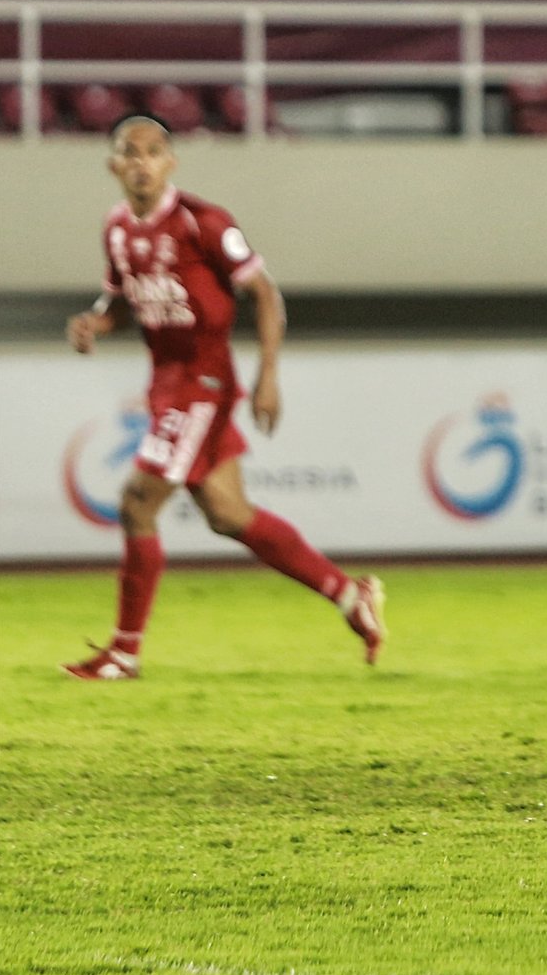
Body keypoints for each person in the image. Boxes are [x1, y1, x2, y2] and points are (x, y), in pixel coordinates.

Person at [61, 115, 385, 679]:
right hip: (167, 386)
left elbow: (264, 293)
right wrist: (95, 322)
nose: (142, 163)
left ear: (171, 162)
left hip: (203, 384)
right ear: (114, 165)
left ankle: (124, 653)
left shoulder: (202, 222)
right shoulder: (116, 229)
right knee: (229, 515)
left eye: (153, 152)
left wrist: (268, 375)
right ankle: (349, 595)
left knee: (137, 503)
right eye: (130, 153)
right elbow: (121, 302)